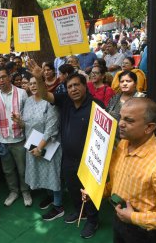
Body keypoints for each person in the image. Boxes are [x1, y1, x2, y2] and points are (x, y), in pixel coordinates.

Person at [29, 59, 104, 239]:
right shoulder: (65, 101)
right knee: (72, 189)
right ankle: (81, 211)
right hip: (68, 159)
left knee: (90, 193)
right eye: (69, 86)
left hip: (89, 161)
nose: (73, 89)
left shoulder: (97, 106)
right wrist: (39, 79)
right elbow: (45, 95)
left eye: (77, 85)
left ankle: (93, 220)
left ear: (85, 86)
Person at [82, 98, 156, 243]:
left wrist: (134, 218)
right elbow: (117, 181)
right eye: (121, 117)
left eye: (129, 121)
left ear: (149, 127)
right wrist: (96, 192)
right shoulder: (124, 144)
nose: (120, 124)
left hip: (147, 233)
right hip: (120, 218)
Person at [12, 77, 64, 221]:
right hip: (33, 142)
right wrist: (19, 122)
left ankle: (58, 206)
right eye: (31, 83)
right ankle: (50, 197)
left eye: (37, 83)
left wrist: (40, 147)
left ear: (43, 84)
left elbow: (52, 127)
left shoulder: (50, 102)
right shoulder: (28, 101)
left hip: (48, 144)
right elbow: (27, 124)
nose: (34, 85)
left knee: (53, 173)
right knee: (43, 174)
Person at [0, 67, 32, 207]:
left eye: (3, 77)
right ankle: (13, 192)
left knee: (22, 169)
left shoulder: (21, 93)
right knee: (8, 170)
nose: (1, 80)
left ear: (9, 77)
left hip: (19, 139)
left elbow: (28, 114)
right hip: (2, 140)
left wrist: (21, 122)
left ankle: (25, 191)